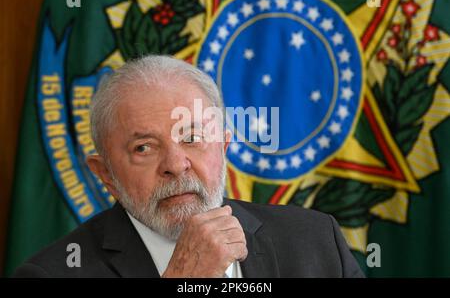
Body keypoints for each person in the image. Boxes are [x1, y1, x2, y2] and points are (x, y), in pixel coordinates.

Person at [13, 55, 364, 278]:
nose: (176, 165)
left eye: (192, 137)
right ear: (105, 175)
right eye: (144, 147)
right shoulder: (53, 273)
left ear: (223, 147)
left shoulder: (316, 243)